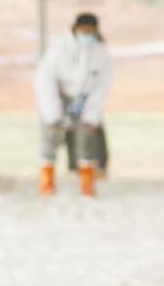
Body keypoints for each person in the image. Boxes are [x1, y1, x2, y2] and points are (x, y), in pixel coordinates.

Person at [33, 12, 112, 197]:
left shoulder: (101, 53)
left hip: (85, 102)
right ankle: (47, 185)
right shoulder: (59, 48)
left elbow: (102, 85)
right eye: (83, 31)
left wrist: (91, 112)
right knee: (50, 141)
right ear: (75, 29)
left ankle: (87, 186)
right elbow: (44, 78)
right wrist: (52, 110)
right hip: (57, 99)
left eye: (90, 32)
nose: (87, 35)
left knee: (86, 143)